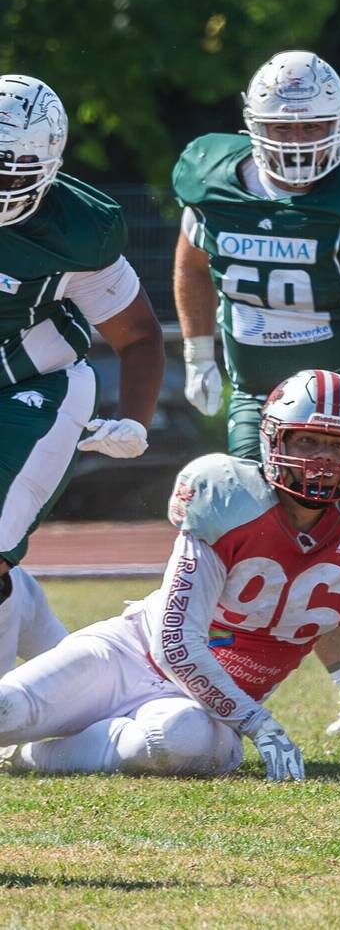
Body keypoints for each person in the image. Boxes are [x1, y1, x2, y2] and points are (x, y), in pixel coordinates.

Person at [0, 370, 340, 783]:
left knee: (179, 743)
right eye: (307, 440)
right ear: (274, 439)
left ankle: (26, 757)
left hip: (209, 705)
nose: (322, 458)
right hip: (130, 655)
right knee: (7, 710)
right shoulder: (228, 499)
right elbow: (175, 642)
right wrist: (261, 726)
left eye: (337, 444)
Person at [171, 50, 340, 736]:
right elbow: (192, 264)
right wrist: (198, 350)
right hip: (261, 403)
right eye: (283, 128)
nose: (297, 141)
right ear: (252, 125)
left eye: (312, 126)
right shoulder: (215, 189)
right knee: (267, 545)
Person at [0, 74, 164, 674]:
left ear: (48, 165)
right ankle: (78, 675)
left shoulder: (75, 231)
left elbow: (138, 335)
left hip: (36, 389)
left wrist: (135, 420)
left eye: (12, 170)